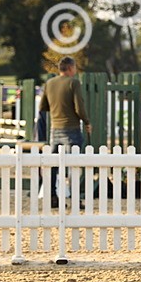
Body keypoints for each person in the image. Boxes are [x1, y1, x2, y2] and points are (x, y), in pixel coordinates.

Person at [39, 56, 93, 209]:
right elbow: (79, 107)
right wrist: (87, 122)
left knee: (53, 166)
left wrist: (57, 109)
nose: (75, 70)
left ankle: (52, 198)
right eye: (74, 67)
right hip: (71, 129)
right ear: (70, 68)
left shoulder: (49, 83)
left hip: (55, 129)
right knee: (73, 166)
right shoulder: (73, 83)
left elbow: (43, 106)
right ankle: (75, 200)